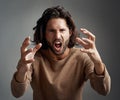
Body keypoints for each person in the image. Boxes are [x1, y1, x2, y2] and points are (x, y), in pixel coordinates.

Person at [11, 6, 111, 100]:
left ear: (70, 32)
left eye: (62, 30)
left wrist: (98, 63)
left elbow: (104, 90)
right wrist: (22, 70)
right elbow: (17, 93)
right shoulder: (33, 58)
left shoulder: (82, 57)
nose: (57, 36)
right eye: (51, 31)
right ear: (44, 33)